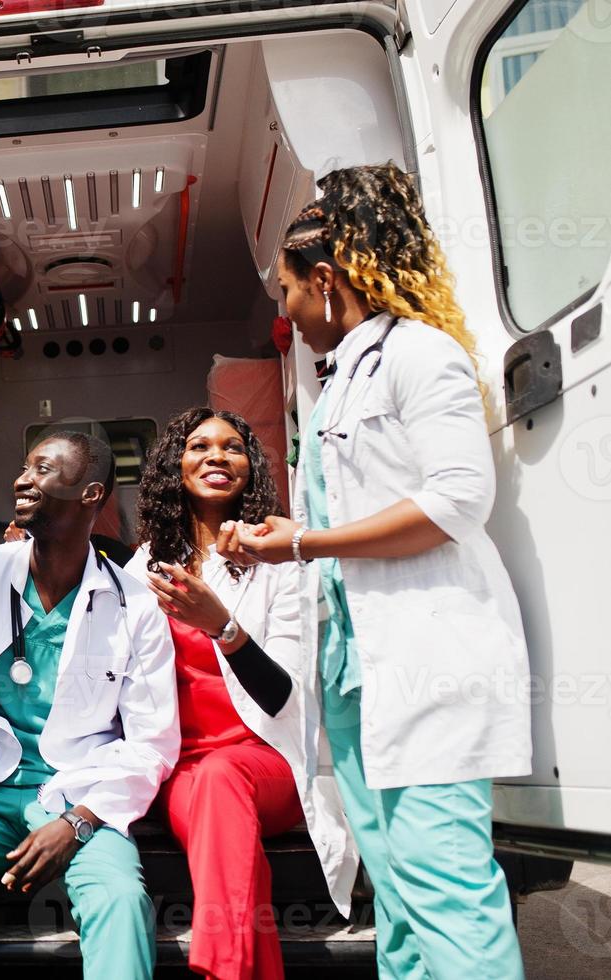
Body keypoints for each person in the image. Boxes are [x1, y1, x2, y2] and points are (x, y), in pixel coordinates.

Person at [229, 163, 531, 979]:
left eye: (288, 293)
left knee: (444, 891)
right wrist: (286, 540)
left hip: (427, 664)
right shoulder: (337, 387)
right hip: (359, 677)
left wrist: (300, 544)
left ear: (326, 282)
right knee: (396, 905)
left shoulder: (419, 355)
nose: (285, 314)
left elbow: (457, 501)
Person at [0, 432, 179, 980]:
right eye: (26, 467)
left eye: (44, 470)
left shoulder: (135, 604)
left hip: (83, 790)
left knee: (118, 899)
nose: (23, 479)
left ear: (91, 494)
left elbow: (153, 745)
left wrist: (77, 823)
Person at [128, 407, 357, 980]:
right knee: (214, 789)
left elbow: (282, 694)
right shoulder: (143, 570)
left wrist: (223, 627)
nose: (216, 457)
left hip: (267, 760)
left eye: (232, 448)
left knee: (225, 777)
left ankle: (223, 968)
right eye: (199, 446)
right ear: (174, 466)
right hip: (181, 774)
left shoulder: (276, 559)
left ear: (249, 468)